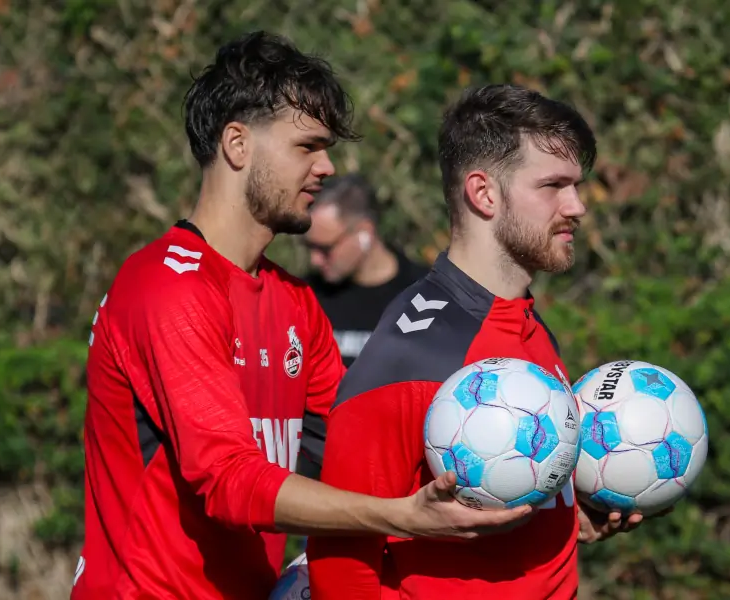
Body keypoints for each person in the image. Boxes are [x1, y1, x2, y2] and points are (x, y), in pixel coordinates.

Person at [71, 33, 534, 600]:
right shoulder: (167, 287)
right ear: (237, 145)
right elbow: (229, 484)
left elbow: (357, 449)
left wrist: (538, 500)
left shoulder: (294, 302)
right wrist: (404, 517)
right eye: (307, 146)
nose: (326, 166)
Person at [306, 84, 648, 599]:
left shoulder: (526, 321)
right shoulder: (415, 350)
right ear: (484, 193)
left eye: (576, 185)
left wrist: (563, 522)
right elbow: (341, 561)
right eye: (553, 185)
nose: (576, 206)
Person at [295, 174, 428, 481]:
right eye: (309, 247)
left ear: (365, 233)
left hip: (407, 484)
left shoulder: (426, 294)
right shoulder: (303, 298)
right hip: (323, 487)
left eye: (325, 248)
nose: (316, 260)